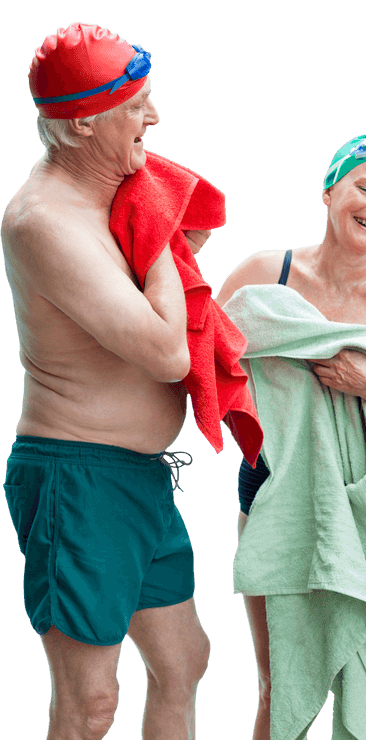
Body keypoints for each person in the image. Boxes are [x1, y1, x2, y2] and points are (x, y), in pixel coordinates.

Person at [1, 23, 210, 739]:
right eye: (139, 105)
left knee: (184, 662)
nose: (153, 119)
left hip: (139, 475)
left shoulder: (113, 189)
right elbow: (165, 352)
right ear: (85, 119)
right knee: (90, 705)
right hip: (75, 475)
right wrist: (165, 240)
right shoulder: (43, 221)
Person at [215, 134, 366, 740]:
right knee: (277, 683)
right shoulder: (266, 273)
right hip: (276, 493)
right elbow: (207, 367)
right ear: (329, 189)